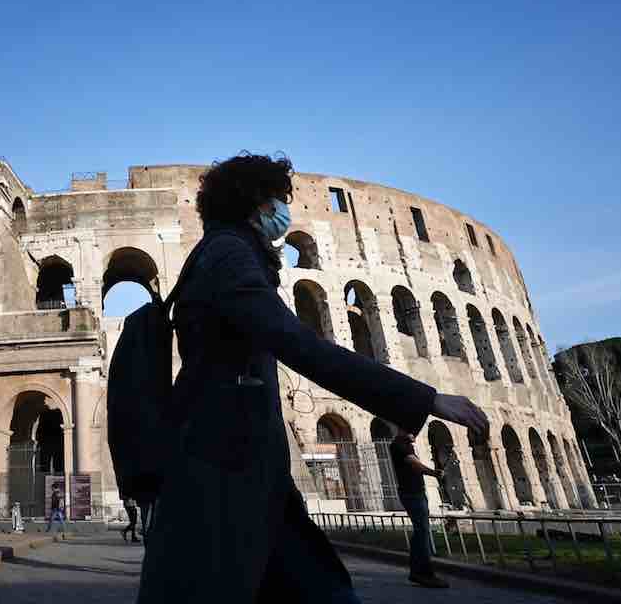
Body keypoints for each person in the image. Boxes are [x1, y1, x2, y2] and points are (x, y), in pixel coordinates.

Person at [136, 153, 489, 604]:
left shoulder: (221, 253)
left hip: (242, 466)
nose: (285, 211)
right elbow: (299, 344)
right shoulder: (229, 255)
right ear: (258, 204)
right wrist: (424, 399)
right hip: (223, 468)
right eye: (279, 200)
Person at [388, 431, 449, 588]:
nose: (415, 434)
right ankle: (423, 572)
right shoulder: (399, 446)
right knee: (422, 532)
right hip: (412, 493)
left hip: (416, 492)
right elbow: (414, 464)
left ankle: (418, 570)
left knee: (421, 532)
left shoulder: (404, 445)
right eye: (413, 431)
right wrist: (434, 473)